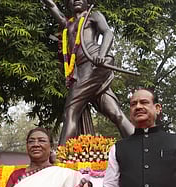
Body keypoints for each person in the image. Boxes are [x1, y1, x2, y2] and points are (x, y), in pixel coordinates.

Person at [42, 0, 134, 145]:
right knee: (114, 112)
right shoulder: (68, 24)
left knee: (71, 111)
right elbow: (53, 6)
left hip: (95, 62)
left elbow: (108, 33)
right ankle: (141, 145)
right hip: (82, 68)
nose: (76, 0)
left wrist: (102, 55)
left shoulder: (93, 16)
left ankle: (60, 158)